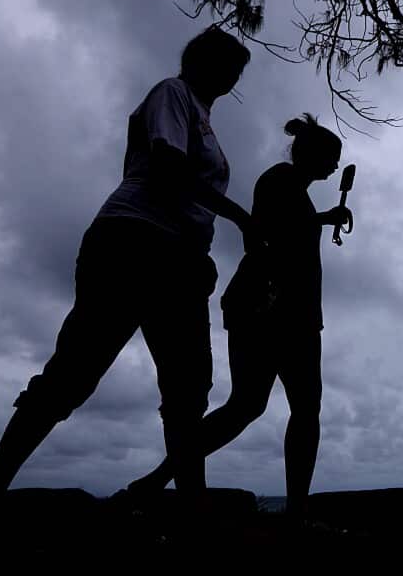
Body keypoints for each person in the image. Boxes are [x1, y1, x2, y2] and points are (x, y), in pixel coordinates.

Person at [0, 27, 257, 505]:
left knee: (188, 391)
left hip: (180, 259)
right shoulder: (173, 93)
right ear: (203, 63)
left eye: (238, 71)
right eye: (229, 66)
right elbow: (167, 165)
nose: (233, 77)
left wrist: (201, 250)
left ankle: (193, 515)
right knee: (73, 375)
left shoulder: (204, 120)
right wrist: (239, 218)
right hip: (134, 242)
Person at [127, 115, 350, 518]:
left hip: (278, 308)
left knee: (257, 406)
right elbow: (270, 231)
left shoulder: (293, 188)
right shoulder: (279, 180)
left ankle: (159, 479)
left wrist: (321, 218)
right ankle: (294, 510)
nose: (335, 167)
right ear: (312, 155)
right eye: (331, 158)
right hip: (271, 307)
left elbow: (283, 229)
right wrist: (319, 221)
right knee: (277, 407)